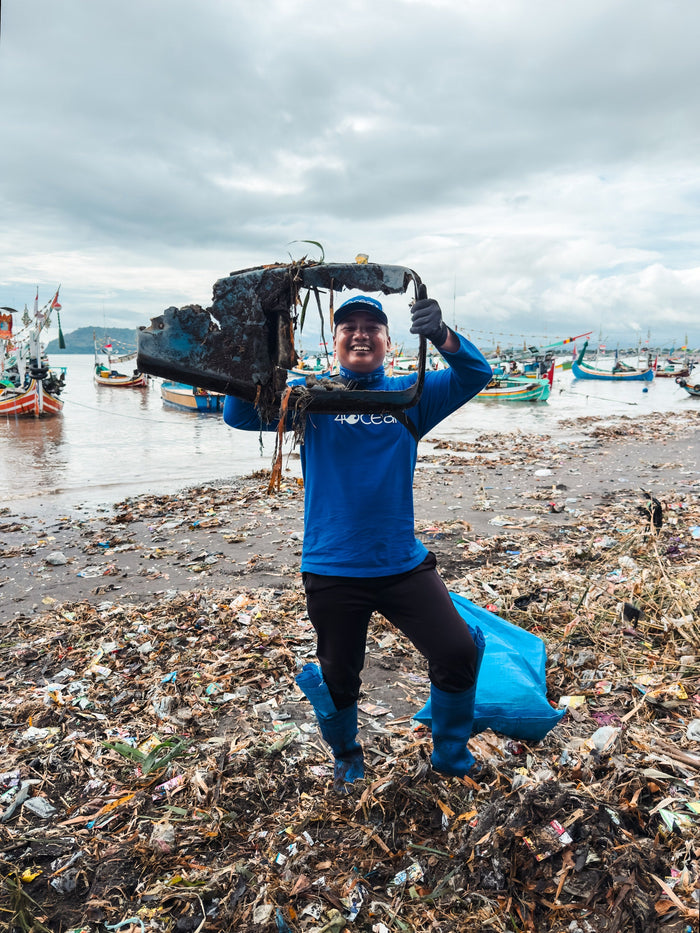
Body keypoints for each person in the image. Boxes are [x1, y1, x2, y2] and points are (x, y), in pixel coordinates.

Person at [223, 292, 493, 788]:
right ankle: (347, 753)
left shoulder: (412, 395)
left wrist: (442, 335)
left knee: (456, 650)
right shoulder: (309, 398)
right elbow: (238, 415)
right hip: (332, 567)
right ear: (335, 340)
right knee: (339, 674)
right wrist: (257, 351)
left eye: (373, 325)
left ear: (389, 342)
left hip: (402, 565)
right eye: (349, 326)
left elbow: (476, 375)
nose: (361, 333)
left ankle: (451, 755)